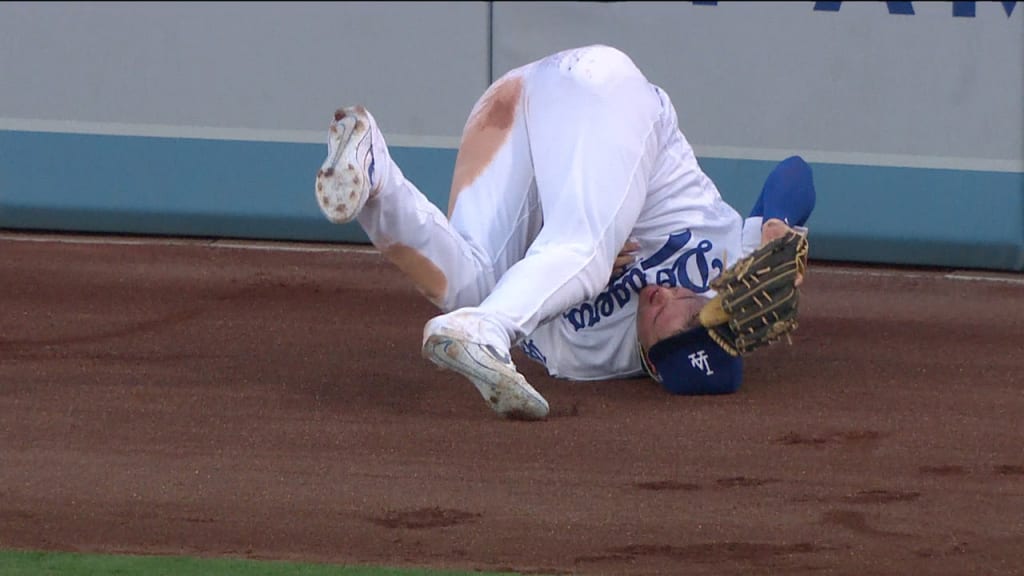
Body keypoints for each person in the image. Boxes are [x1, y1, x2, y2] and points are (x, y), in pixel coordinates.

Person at [314, 44, 815, 421]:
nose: (663, 297)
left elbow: (532, 272)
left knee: (472, 285)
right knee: (586, 250)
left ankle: (375, 174)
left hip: (510, 116)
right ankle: (486, 333)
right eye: (689, 307)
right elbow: (795, 174)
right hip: (602, 90)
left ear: (652, 365)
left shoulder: (590, 358)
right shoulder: (727, 272)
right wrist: (778, 228)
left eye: (664, 321)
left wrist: (562, 242)